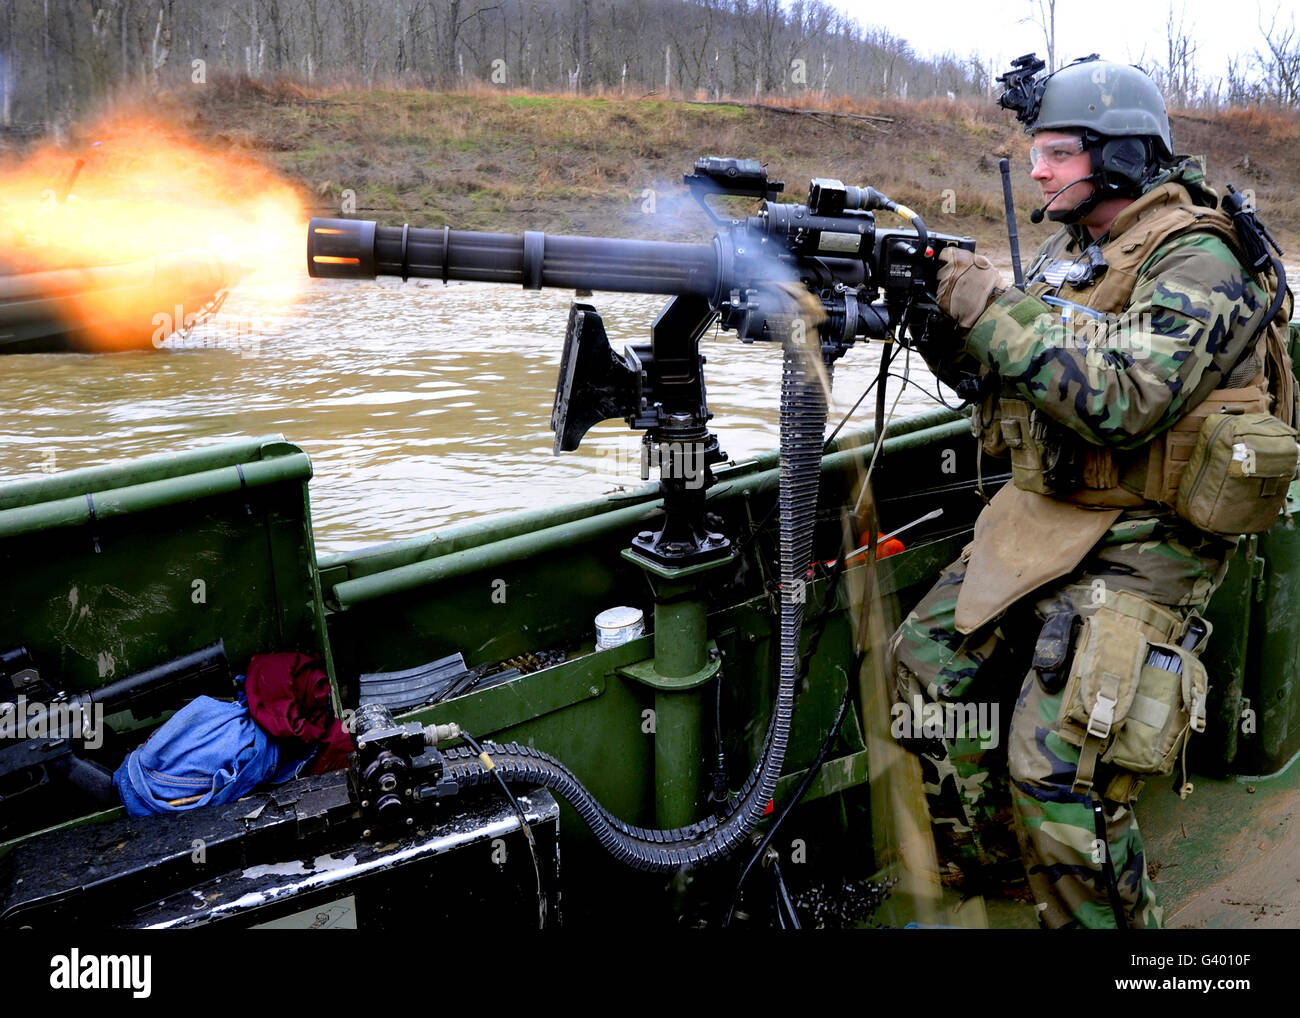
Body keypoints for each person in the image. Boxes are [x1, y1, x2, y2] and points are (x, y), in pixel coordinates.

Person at [893, 53, 1295, 928]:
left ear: (1118, 156)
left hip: (1154, 538)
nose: (1037, 169)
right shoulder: (1079, 251)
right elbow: (1013, 382)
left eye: (1059, 152)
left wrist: (985, 307)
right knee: (922, 676)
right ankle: (1000, 873)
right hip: (1052, 515)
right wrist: (936, 318)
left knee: (1057, 767)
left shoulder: (1201, 259)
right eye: (1035, 151)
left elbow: (1122, 400)